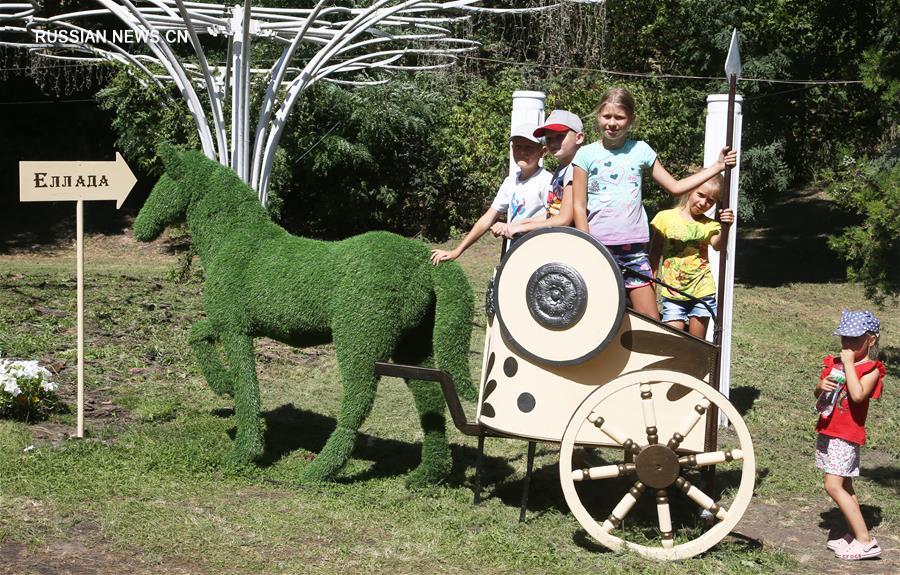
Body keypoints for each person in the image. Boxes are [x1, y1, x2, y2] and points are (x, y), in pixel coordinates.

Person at [572, 87, 737, 319]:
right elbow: (579, 205)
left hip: (634, 249)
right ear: (598, 115)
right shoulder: (585, 155)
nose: (612, 123)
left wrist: (717, 167)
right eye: (606, 116)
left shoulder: (641, 151)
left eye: (619, 117)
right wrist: (586, 242)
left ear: (631, 119)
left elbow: (675, 187)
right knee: (598, 314)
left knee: (651, 319)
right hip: (598, 246)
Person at [814, 310, 885, 560]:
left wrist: (848, 365)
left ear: (871, 340)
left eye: (855, 340)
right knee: (845, 485)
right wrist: (820, 387)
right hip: (829, 430)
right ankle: (856, 533)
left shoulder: (871, 369)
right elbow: (821, 396)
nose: (847, 344)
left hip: (846, 435)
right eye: (844, 338)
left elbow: (857, 395)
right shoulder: (833, 364)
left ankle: (866, 541)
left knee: (832, 485)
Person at [431, 123, 551, 265]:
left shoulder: (546, 181)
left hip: (538, 257)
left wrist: (512, 226)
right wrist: (457, 251)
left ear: (542, 152)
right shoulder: (511, 181)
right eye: (518, 146)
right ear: (512, 149)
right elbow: (487, 219)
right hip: (513, 255)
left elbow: (553, 217)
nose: (522, 152)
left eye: (529, 147)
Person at [648, 175, 733, 338]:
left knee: (696, 343)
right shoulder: (665, 217)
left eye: (711, 201)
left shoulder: (710, 225)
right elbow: (655, 251)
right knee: (673, 340)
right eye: (700, 195)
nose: (703, 203)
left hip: (702, 290)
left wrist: (726, 227)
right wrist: (652, 282)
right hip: (672, 292)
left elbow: (717, 245)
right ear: (690, 190)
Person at [492, 109, 585, 238]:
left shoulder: (575, 169)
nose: (553, 143)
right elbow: (553, 213)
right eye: (549, 138)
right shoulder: (561, 169)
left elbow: (564, 219)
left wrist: (522, 227)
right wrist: (520, 223)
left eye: (560, 136)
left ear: (579, 138)